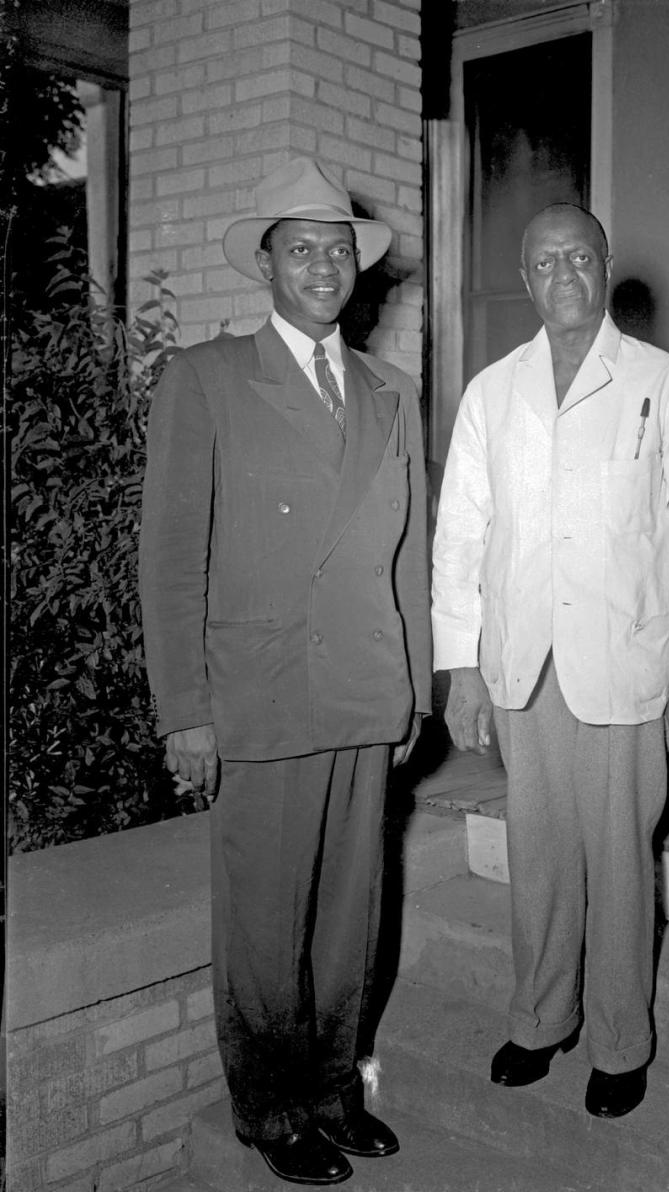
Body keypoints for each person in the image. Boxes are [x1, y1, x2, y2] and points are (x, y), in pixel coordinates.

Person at [139, 157, 430, 1186]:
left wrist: (417, 688)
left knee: (352, 915)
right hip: (258, 694)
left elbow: (414, 559)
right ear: (266, 264)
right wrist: (186, 712)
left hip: (361, 687)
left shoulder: (394, 393)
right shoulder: (207, 376)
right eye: (300, 247)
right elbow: (172, 559)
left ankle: (333, 1089)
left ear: (358, 268)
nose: (322, 263)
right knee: (266, 922)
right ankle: (268, 1110)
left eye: (337, 247)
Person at [431, 203, 669, 1119]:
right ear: (525, 280)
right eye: (542, 262)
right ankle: (539, 1019)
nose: (561, 273)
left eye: (578, 256)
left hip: (629, 664)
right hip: (523, 666)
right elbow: (460, 539)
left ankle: (618, 1041)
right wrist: (460, 669)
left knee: (616, 856)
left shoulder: (666, 385)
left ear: (604, 266)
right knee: (537, 853)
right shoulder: (493, 393)